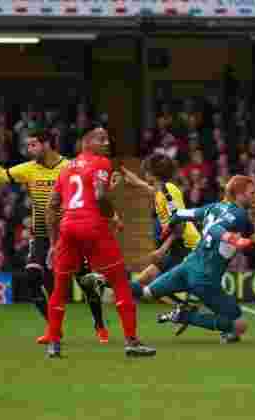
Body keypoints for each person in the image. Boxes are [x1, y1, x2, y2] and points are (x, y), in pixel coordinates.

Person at [0, 133, 109, 343]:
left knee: (86, 281)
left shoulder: (70, 166)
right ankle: (54, 329)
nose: (29, 149)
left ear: (46, 145)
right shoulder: (28, 168)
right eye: (28, 145)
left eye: (33, 145)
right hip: (42, 235)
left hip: (69, 232)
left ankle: (99, 325)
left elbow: (91, 190)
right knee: (32, 278)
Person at [44, 127, 155, 358]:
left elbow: (52, 206)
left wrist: (54, 244)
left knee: (60, 286)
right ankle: (131, 342)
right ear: (86, 142)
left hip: (68, 228)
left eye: (107, 138)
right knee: (121, 281)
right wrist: (112, 216)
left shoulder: (65, 169)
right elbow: (100, 195)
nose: (106, 142)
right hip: (92, 226)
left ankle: (53, 344)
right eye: (100, 138)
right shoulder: (102, 162)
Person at [132, 175, 255, 344]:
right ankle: (186, 316)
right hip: (205, 278)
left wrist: (168, 228)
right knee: (239, 324)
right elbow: (215, 228)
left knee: (145, 293)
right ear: (239, 195)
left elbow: (180, 214)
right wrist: (233, 239)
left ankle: (104, 279)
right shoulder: (239, 214)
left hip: (186, 267)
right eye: (252, 193)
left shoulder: (214, 207)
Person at [114, 154, 201, 304]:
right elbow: (152, 190)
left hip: (188, 247)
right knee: (143, 280)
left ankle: (184, 307)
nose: (145, 173)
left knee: (153, 289)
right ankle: (183, 306)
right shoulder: (162, 190)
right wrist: (135, 181)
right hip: (177, 247)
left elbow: (181, 224)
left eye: (146, 170)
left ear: (152, 173)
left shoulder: (168, 190)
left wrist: (162, 250)